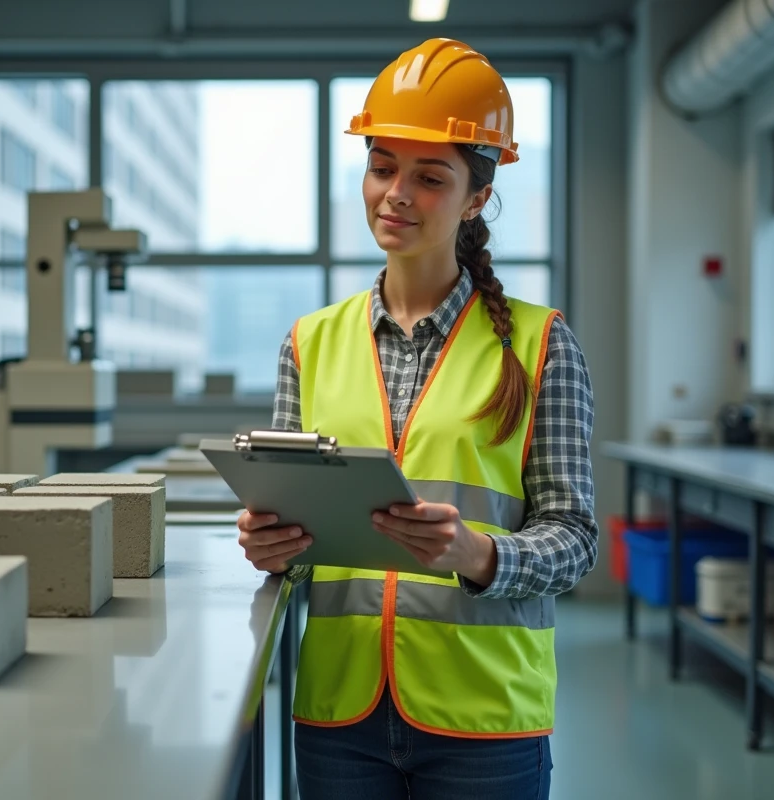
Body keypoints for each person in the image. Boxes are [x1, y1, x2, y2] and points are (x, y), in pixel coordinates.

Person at [235, 38, 599, 800]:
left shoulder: (539, 344)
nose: (395, 193)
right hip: (339, 712)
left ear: (474, 198)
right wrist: (271, 544)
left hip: (485, 718)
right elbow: (297, 536)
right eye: (381, 167)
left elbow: (574, 539)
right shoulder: (309, 343)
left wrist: (478, 553)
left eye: (429, 177)